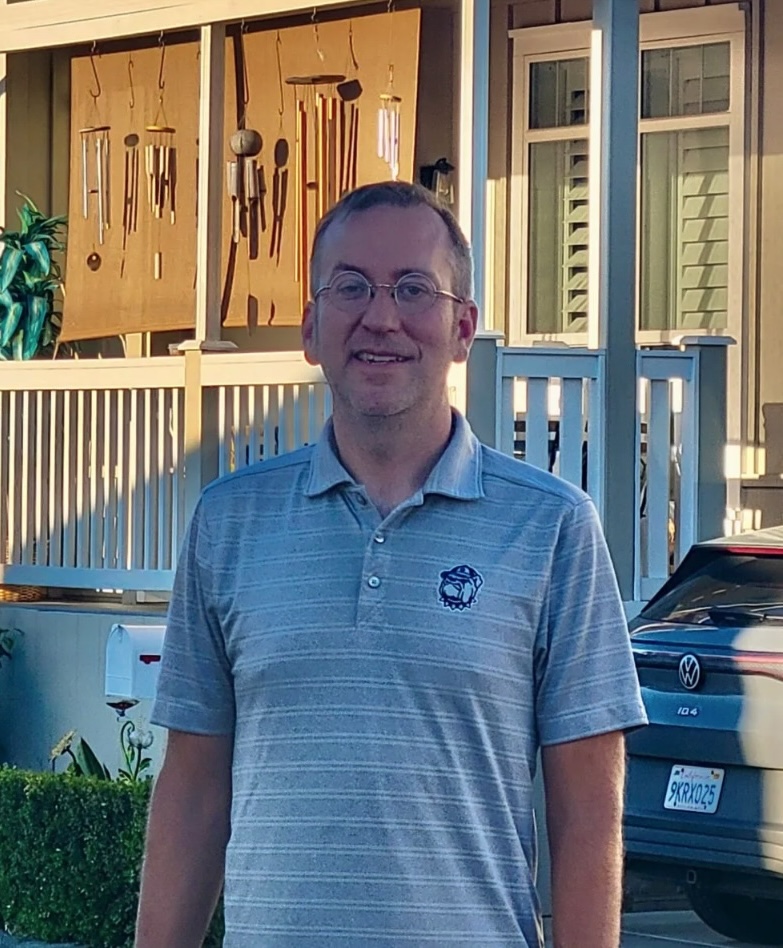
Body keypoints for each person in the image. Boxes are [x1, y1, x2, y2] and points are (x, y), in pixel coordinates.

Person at [135, 181, 647, 948]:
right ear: (310, 327)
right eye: (350, 288)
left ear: (462, 326)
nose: (381, 317)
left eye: (414, 288)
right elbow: (194, 788)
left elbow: (586, 813)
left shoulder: (550, 527)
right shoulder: (229, 521)